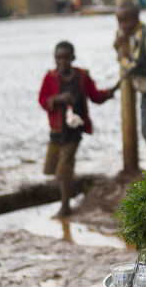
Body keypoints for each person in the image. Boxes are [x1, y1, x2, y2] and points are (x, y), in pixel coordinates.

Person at [38, 41, 114, 216]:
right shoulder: (50, 78)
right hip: (57, 131)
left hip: (74, 131)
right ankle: (69, 186)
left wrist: (108, 93)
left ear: (73, 58)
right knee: (51, 168)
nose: (62, 62)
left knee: (63, 167)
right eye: (58, 58)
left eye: (66, 58)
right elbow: (42, 100)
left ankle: (65, 207)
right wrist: (58, 99)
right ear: (54, 59)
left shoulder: (81, 76)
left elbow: (95, 96)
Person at [114, 1, 146, 164]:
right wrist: (117, 46)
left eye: (126, 21)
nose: (122, 25)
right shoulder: (129, 34)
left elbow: (138, 65)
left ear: (136, 18)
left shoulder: (141, 35)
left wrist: (122, 60)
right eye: (120, 22)